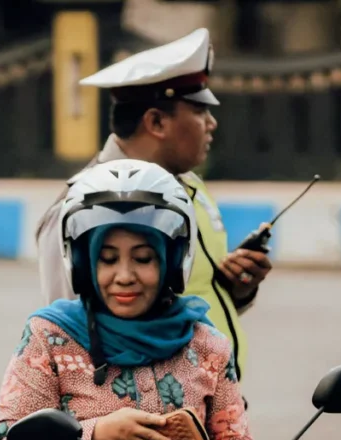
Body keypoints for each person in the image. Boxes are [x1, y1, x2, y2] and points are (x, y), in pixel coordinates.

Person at [0, 158, 261, 440]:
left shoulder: (207, 345)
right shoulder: (50, 336)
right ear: (82, 262)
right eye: (108, 258)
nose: (124, 276)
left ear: (172, 260)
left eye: (144, 258)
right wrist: (96, 433)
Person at [35, 28, 273, 386]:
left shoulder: (189, 186)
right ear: (156, 122)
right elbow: (72, 335)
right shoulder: (81, 208)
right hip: (144, 422)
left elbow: (187, 299)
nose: (212, 123)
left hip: (212, 402)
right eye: (199, 110)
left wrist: (236, 290)